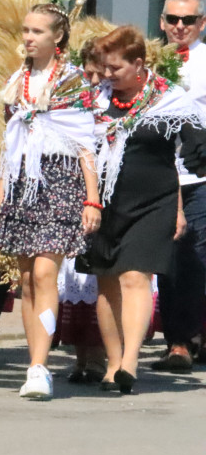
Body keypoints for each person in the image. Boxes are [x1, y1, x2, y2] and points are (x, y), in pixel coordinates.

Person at [81, 26, 206, 393]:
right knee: (106, 285)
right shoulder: (93, 100)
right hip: (104, 202)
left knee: (135, 277)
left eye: (114, 69)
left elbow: (194, 146)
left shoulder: (170, 98)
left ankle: (130, 361)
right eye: (103, 68)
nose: (107, 76)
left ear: (138, 64)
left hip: (155, 202)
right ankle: (113, 361)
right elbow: (76, 144)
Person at [0, 3, 99, 400]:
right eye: (26, 30)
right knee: (24, 280)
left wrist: (93, 198)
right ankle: (33, 364)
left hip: (59, 181)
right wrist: (2, 182)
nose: (29, 38)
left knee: (44, 273)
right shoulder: (17, 80)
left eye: (37, 31)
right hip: (23, 182)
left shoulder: (73, 82)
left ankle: (40, 366)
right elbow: (10, 136)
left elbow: (85, 143)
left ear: (58, 38)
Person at [152, 0, 206, 372]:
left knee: (196, 257)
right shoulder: (151, 62)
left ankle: (188, 337)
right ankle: (177, 340)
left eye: (188, 20)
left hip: (200, 173)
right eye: (173, 19)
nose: (180, 27)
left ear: (202, 23)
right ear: (162, 21)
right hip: (160, 174)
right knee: (170, 259)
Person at [56, 42, 107, 383]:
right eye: (89, 71)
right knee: (75, 271)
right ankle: (80, 358)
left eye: (101, 71)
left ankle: (100, 357)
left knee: (100, 273)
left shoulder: (113, 99)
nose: (94, 77)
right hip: (71, 187)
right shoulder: (75, 96)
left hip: (107, 188)